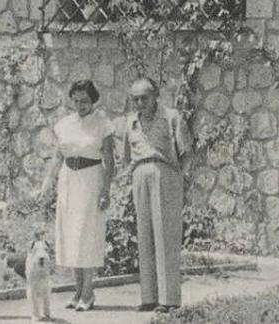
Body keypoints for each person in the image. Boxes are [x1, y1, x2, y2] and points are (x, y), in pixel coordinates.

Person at [39, 80, 115, 312]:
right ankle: (77, 290)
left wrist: (106, 190)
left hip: (91, 179)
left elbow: (110, 160)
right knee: (71, 235)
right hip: (68, 180)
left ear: (93, 100)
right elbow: (57, 156)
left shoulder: (103, 124)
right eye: (76, 100)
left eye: (85, 101)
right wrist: (47, 181)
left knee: (87, 234)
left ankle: (88, 292)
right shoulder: (64, 124)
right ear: (71, 100)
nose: (80, 105)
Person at [122, 77, 191, 313]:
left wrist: (176, 176)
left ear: (156, 95)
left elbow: (186, 152)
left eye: (145, 97)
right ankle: (148, 296)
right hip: (140, 174)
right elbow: (126, 155)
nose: (140, 103)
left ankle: (169, 299)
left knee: (166, 235)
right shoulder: (131, 122)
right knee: (144, 235)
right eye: (136, 99)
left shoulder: (172, 117)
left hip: (166, 174)